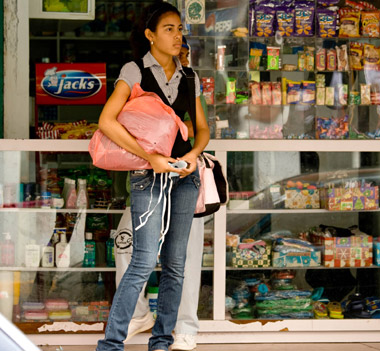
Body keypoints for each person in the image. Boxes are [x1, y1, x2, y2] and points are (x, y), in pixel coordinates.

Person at [95, 2, 209, 351]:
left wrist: (191, 156)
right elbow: (107, 121)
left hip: (186, 178)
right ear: (150, 35)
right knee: (143, 261)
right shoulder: (134, 70)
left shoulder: (189, 76)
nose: (178, 36)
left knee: (176, 265)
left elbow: (203, 129)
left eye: (179, 29)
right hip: (148, 175)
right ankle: (111, 344)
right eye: (169, 29)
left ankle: (161, 341)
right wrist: (151, 157)